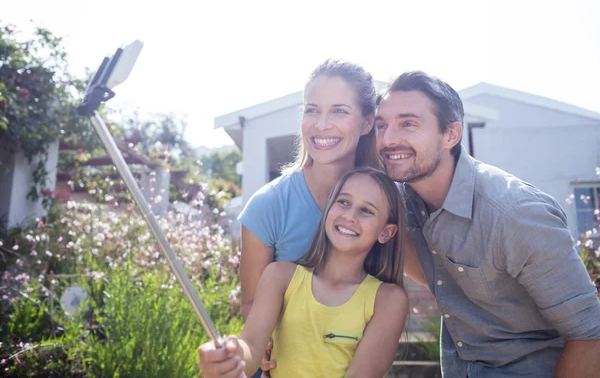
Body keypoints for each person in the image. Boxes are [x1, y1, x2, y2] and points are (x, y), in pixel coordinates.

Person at [375, 70, 600, 377]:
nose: (388, 139)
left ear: (451, 135)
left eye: (408, 123)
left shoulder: (515, 214)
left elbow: (589, 334)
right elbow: (434, 276)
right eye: (381, 125)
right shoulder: (405, 200)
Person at [237, 59, 424, 376]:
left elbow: (426, 276)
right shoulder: (268, 206)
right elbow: (252, 313)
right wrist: (250, 350)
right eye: (312, 109)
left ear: (367, 123)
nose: (321, 124)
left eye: (339, 111)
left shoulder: (388, 202)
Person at [198, 167, 409, 378]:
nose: (349, 216)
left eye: (366, 211)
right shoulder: (280, 277)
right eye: (343, 202)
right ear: (328, 208)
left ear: (386, 232)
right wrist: (231, 358)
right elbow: (251, 346)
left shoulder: (388, 300)